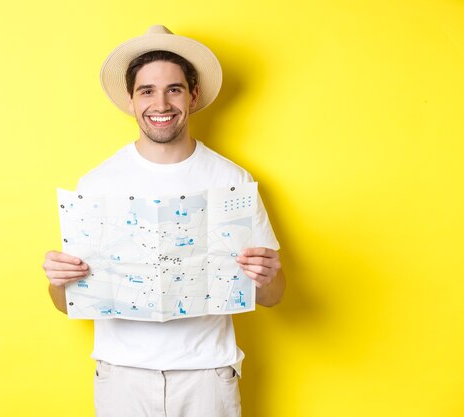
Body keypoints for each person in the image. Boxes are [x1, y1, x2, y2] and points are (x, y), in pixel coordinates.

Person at [42, 25, 285, 417]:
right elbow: (65, 304)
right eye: (147, 91)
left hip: (207, 374)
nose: (161, 103)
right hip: (122, 377)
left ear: (193, 95)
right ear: (131, 100)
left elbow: (274, 296)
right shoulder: (98, 183)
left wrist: (268, 273)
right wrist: (58, 281)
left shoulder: (231, 180)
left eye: (173, 89)